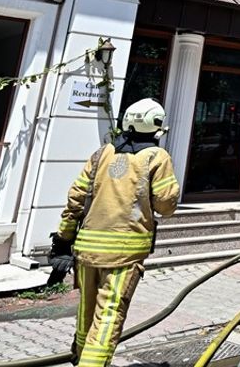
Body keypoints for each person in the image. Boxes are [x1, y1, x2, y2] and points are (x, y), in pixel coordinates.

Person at [49, 98, 180, 367]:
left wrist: (63, 238)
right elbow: (166, 205)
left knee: (87, 311)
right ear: (156, 127)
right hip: (124, 252)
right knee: (108, 315)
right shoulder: (156, 157)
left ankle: (79, 356)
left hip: (86, 250)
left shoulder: (102, 154)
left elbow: (76, 198)